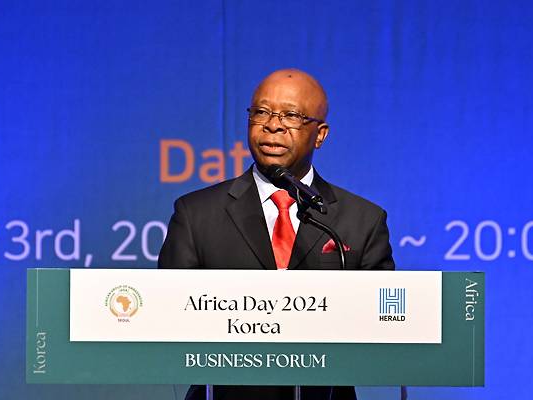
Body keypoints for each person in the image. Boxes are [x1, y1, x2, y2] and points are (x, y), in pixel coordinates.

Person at [158, 68, 395, 400]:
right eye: (261, 112)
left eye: (292, 115)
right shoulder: (196, 213)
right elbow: (167, 314)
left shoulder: (361, 220)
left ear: (320, 134)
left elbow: (383, 328)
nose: (273, 124)